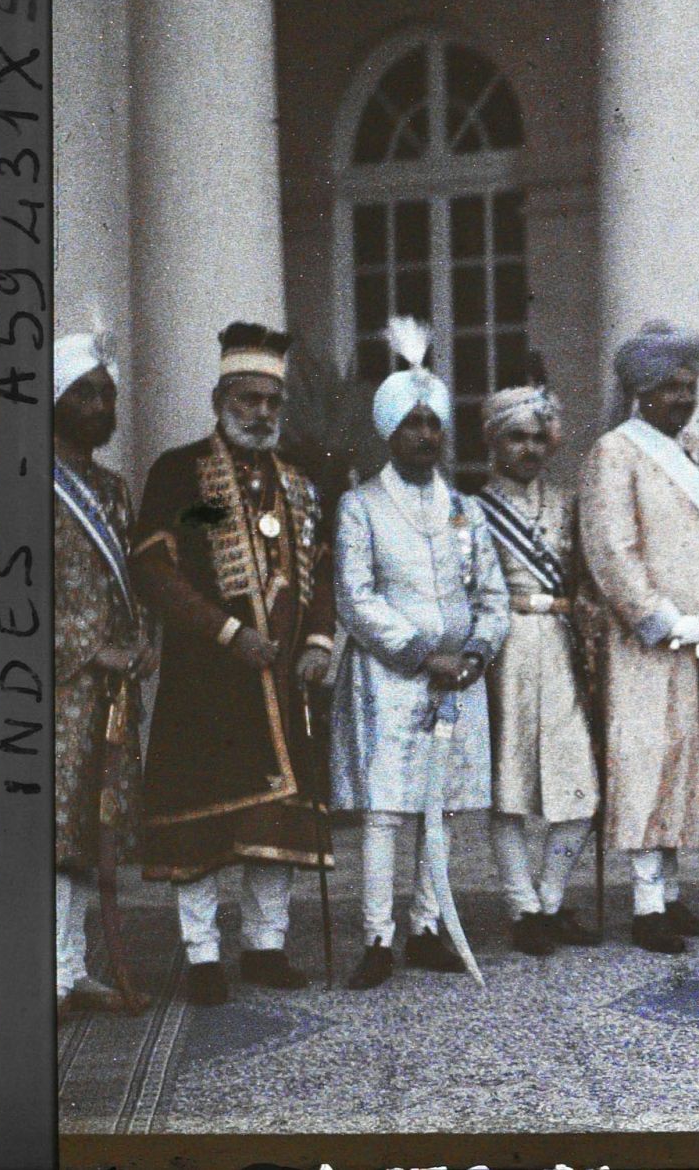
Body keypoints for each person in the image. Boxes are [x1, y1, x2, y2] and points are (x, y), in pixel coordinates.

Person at [132, 323, 336, 1007]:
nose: (261, 413)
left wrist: (317, 645)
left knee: (275, 819)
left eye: (271, 402)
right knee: (202, 819)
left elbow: (322, 575)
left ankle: (266, 945)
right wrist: (225, 631)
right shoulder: (180, 471)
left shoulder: (300, 485)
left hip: (281, 678)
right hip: (206, 678)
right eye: (247, 399)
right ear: (220, 397)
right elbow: (155, 568)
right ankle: (201, 955)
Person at [331, 319, 511, 990]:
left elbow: (492, 594)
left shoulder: (466, 508)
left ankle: (427, 924)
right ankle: (377, 935)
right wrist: (417, 654)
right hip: (391, 677)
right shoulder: (360, 506)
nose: (426, 436)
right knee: (389, 808)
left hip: (461, 675)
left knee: (443, 803)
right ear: (389, 432)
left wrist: (476, 652)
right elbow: (355, 596)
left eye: (433, 424)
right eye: (411, 424)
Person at [579, 320, 699, 953]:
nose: (685, 399)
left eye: (692, 386)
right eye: (673, 388)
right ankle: (646, 903)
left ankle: (675, 894)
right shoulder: (615, 453)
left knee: (691, 762)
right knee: (650, 763)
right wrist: (657, 617)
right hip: (650, 643)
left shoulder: (696, 453)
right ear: (643, 390)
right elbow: (611, 551)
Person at [477, 384, 603, 955]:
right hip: (506, 646)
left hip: (562, 641)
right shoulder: (474, 510)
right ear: (494, 442)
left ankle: (551, 899)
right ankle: (521, 907)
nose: (528, 449)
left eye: (536, 438)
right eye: (515, 438)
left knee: (581, 781)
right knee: (510, 783)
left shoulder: (565, 502)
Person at [54, 331, 155, 1012]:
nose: (99, 405)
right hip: (49, 686)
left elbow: (132, 585)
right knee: (50, 828)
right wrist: (91, 649)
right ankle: (44, 972)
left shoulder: (114, 489)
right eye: (83, 392)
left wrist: (142, 639)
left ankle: (71, 965)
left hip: (112, 690)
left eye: (107, 394)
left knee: (95, 825)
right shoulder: (17, 477)